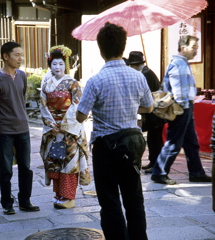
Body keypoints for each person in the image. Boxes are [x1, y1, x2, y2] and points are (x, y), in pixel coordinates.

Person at [76, 22, 153, 240]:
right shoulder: (138, 76)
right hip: (131, 144)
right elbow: (148, 107)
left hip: (105, 146)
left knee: (109, 201)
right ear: (123, 47)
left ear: (101, 50)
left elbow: (80, 115)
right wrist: (129, 106)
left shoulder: (95, 80)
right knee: (134, 199)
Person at [0, 41, 40, 215]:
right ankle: (7, 203)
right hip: (4, 131)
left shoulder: (22, 76)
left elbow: (21, 100)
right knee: (6, 169)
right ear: (5, 56)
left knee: (26, 167)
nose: (20, 58)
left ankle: (25, 200)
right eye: (17, 55)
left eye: (21, 55)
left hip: (22, 128)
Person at [151, 35, 212, 185]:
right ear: (183, 48)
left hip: (185, 107)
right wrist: (182, 109)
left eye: (197, 48)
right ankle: (159, 172)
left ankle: (196, 172)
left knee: (191, 142)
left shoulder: (182, 63)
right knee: (174, 142)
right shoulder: (179, 64)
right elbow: (179, 91)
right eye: (194, 48)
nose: (196, 51)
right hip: (181, 107)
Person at [39, 45, 91, 209]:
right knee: (55, 161)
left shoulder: (72, 83)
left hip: (69, 129)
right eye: (54, 64)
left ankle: (69, 197)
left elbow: (78, 104)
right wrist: (51, 124)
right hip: (53, 129)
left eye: (61, 64)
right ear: (50, 65)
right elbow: (42, 105)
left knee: (69, 162)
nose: (57, 67)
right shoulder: (46, 83)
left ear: (66, 65)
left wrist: (64, 124)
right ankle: (59, 194)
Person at [127, 51, 164, 173]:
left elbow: (145, 94)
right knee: (153, 139)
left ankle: (156, 164)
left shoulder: (146, 75)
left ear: (134, 65)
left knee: (155, 140)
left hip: (154, 113)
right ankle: (153, 162)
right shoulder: (146, 72)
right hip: (154, 112)